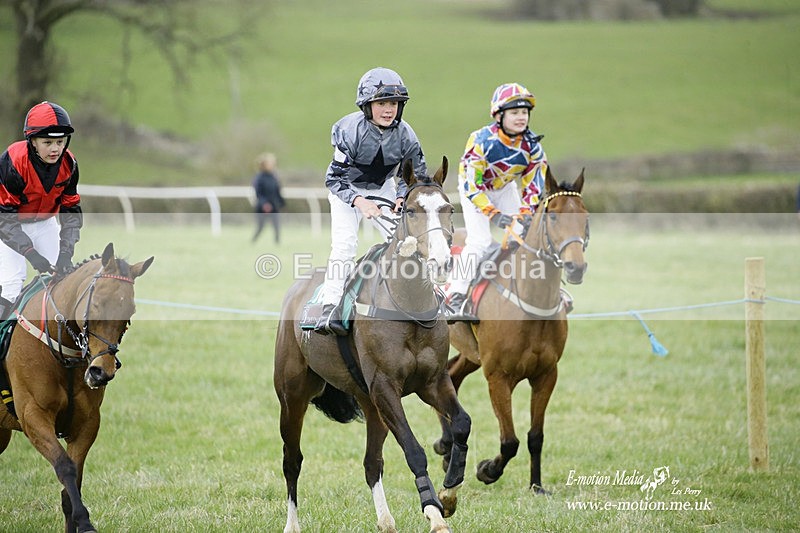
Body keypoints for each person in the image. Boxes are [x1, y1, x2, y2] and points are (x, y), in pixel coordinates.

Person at [313, 67, 428, 335]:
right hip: (347, 190)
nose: (389, 110)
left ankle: (420, 299)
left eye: (394, 104)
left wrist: (401, 196)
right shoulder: (349, 131)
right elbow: (334, 179)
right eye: (382, 103)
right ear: (367, 106)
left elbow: (414, 176)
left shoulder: (407, 135)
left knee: (406, 242)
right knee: (345, 245)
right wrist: (359, 201)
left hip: (384, 188)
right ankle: (330, 306)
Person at [445, 83, 548, 320]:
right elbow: (473, 186)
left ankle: (532, 291)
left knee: (522, 236)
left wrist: (524, 214)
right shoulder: (481, 140)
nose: (521, 117)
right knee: (479, 241)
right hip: (475, 190)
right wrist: (493, 213)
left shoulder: (533, 146)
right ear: (499, 116)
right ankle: (456, 295)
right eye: (515, 112)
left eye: (524, 112)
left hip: (504, 188)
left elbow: (534, 187)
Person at [0, 101, 82, 321]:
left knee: (62, 282)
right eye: (47, 142)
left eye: (60, 142)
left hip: (46, 224)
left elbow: (71, 214)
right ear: (32, 141)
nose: (55, 149)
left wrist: (66, 253)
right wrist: (29, 252)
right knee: (11, 285)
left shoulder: (70, 164)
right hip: (9, 228)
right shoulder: (13, 162)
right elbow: (5, 219)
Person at [251, 152, 285, 244]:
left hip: (274, 206)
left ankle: (277, 243)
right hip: (262, 207)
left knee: (277, 226)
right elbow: (258, 193)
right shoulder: (259, 178)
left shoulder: (274, 177)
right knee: (260, 227)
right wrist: (264, 204)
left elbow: (277, 191)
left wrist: (281, 202)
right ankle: (253, 241)